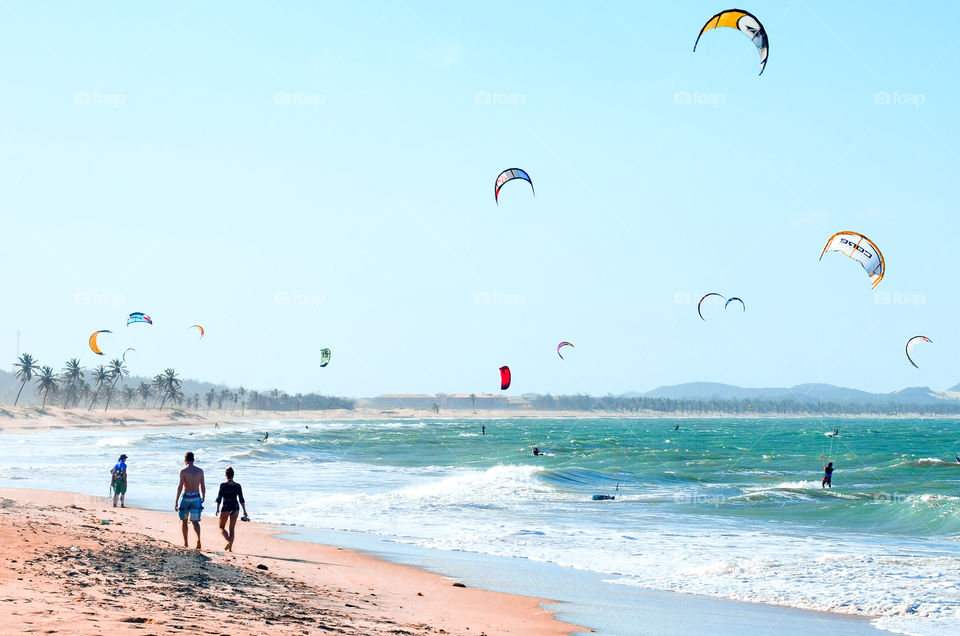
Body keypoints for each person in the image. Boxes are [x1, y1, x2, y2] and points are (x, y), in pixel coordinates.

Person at [175, 452, 206, 550]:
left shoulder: (183, 471)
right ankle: (198, 539)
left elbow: (180, 486)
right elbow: (203, 485)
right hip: (196, 496)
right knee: (195, 521)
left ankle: (186, 542)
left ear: (185, 460)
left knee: (184, 521)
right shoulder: (200, 471)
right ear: (193, 459)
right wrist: (203, 497)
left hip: (186, 496)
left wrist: (176, 500)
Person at [215, 467, 248, 552]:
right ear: (233, 475)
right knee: (232, 528)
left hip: (226, 507)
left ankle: (228, 541)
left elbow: (219, 498)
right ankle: (230, 548)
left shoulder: (223, 485)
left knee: (221, 527)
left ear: (226, 475)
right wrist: (244, 511)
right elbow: (241, 499)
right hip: (235, 507)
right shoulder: (238, 486)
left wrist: (217, 509)